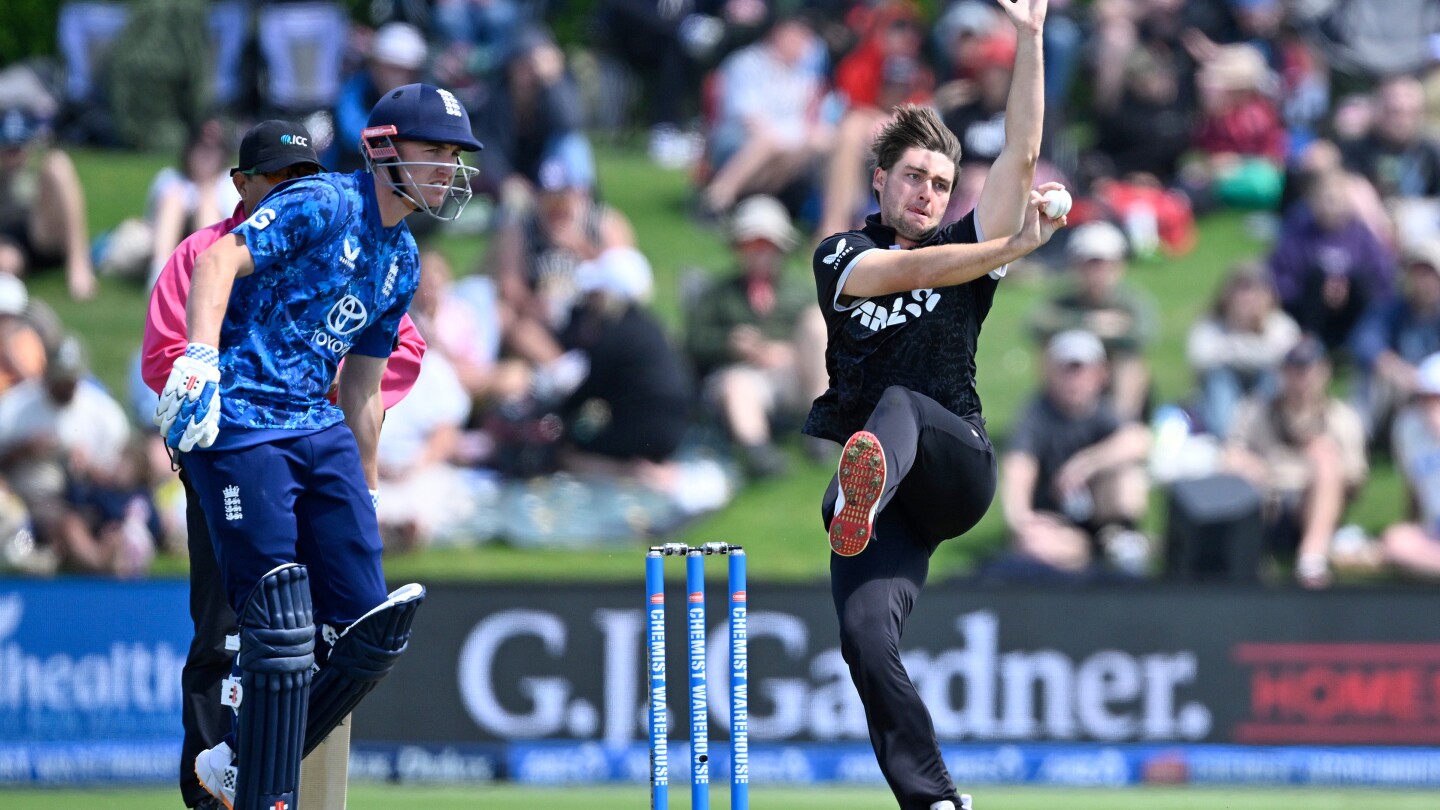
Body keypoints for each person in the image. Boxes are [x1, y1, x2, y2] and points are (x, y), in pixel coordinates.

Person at [153, 85, 480, 810]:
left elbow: (363, 385)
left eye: (455, 158)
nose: (448, 171)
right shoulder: (323, 201)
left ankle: (240, 760)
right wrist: (200, 361)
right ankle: (260, 787)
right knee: (276, 627)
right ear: (386, 150)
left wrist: (362, 491)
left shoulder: (401, 260)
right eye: (436, 153)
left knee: (372, 630)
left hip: (315, 423)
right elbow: (216, 264)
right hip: (240, 417)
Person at [801, 0, 1061, 806]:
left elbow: (1020, 153)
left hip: (953, 466)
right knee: (865, 639)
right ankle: (936, 799)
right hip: (884, 506)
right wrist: (1014, 249)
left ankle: (858, 486)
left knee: (905, 404)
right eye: (913, 176)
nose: (926, 191)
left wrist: (1029, 40)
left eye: (941, 184)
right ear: (881, 179)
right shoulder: (842, 254)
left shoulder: (966, 246)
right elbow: (906, 274)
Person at [686, 195, 827, 478]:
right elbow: (693, 344)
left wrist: (789, 350)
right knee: (736, 384)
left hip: (795, 377)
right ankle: (759, 454)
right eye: (752, 244)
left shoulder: (800, 293)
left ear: (781, 249)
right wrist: (730, 344)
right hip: (745, 379)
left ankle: (820, 432)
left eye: (769, 245)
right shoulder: (718, 294)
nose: (761, 253)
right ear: (739, 247)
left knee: (816, 323)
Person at [1000, 330, 1153, 578]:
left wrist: (1085, 463)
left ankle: (1116, 539)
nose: (1074, 379)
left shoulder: (1104, 411)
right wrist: (1021, 520)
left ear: (1100, 374)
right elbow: (1018, 466)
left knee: (1127, 477)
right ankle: (1086, 553)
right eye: (1066, 370)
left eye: (1081, 369)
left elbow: (1139, 440)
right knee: (1037, 545)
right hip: (1054, 518)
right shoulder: (1038, 414)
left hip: (1099, 516)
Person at [1223, 336, 1368, 588]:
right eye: (1294, 370)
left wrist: (1327, 460)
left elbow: (1356, 480)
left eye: (1308, 369)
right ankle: (1248, 558)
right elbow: (1229, 455)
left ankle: (1311, 560)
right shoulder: (1256, 410)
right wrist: (1249, 464)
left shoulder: (1342, 418)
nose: (1301, 378)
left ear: (1325, 372)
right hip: (1267, 501)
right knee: (1240, 471)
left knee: (1327, 463)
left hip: (1313, 505)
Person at [0, 107, 95, 299]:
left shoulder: (40, 169)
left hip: (41, 232)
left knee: (58, 163)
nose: (14, 155)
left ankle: (79, 264)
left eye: (19, 147)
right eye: (8, 149)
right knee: (7, 261)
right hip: (9, 241)